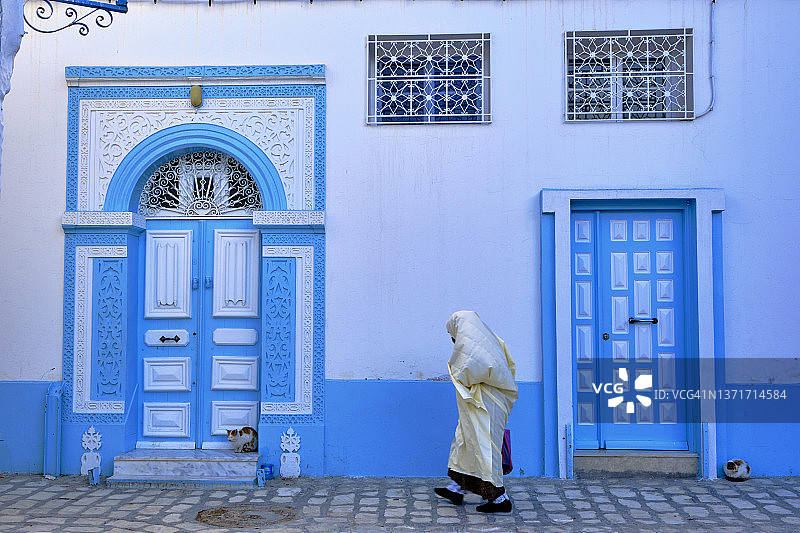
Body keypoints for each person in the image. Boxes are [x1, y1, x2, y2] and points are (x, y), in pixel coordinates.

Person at [435, 310, 518, 513]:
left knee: (484, 448)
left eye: (453, 334)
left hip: (487, 406)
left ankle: (500, 499)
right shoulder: (488, 341)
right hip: (480, 405)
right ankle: (456, 489)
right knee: (465, 442)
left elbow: (467, 369)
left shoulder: (475, 347)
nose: (453, 339)